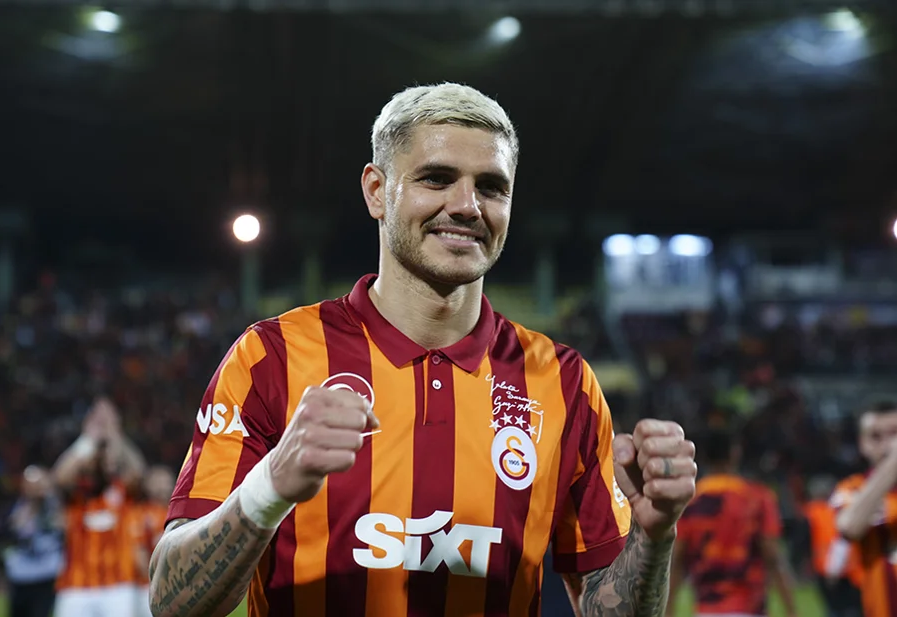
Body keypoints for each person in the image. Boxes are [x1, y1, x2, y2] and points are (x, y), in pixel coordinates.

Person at [148, 82, 697, 617]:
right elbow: (172, 601)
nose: (467, 206)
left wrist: (653, 537)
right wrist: (269, 486)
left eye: (491, 187)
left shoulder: (563, 380)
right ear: (376, 191)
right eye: (437, 179)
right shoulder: (272, 357)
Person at [666, 430, 798, 617]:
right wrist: (791, 610)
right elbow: (772, 556)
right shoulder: (757, 498)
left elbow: (676, 561)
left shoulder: (689, 503)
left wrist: (668, 610)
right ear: (735, 453)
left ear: (702, 457)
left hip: (708, 609)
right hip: (749, 607)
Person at [51, 396, 147, 617]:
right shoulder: (77, 494)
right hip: (76, 586)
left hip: (119, 585)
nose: (101, 461)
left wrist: (114, 433)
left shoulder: (122, 490)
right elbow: (59, 477)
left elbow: (139, 472)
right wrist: (88, 437)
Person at [831, 399, 897, 617]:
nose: (887, 445)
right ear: (862, 444)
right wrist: (893, 463)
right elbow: (849, 526)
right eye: (875, 437)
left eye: (895, 434)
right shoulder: (852, 488)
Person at [3, 465, 64, 617]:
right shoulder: (20, 506)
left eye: (38, 483)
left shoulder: (55, 505)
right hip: (20, 574)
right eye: (30, 483)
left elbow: (61, 527)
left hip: (46, 574)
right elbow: (11, 531)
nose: (34, 488)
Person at [801, 476, 862, 617]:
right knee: (850, 608)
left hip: (827, 567)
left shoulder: (811, 512)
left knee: (835, 609)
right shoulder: (841, 509)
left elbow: (804, 541)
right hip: (848, 567)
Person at [134, 466, 176, 617]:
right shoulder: (141, 513)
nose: (163, 486)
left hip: (177, 585)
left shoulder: (177, 511)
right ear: (148, 485)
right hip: (149, 588)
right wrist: (154, 584)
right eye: (158, 482)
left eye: (166, 481)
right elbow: (138, 551)